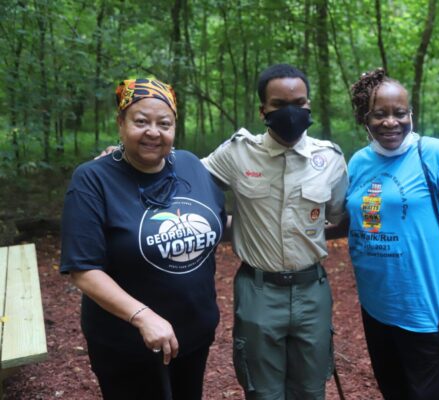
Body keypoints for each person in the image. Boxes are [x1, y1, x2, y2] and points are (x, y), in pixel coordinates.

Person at [61, 78, 226, 400]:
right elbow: (84, 269)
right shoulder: (93, 179)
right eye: (141, 121)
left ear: (175, 127)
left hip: (193, 335)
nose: (153, 131)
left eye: (164, 123)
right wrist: (143, 316)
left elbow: (219, 222)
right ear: (120, 123)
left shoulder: (191, 166)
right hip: (126, 343)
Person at [201, 63, 348, 399]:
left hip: (312, 290)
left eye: (299, 102)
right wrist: (120, 159)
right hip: (258, 290)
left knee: (311, 389)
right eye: (279, 105)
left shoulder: (331, 159)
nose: (291, 111)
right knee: (262, 391)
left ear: (309, 104)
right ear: (263, 109)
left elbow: (337, 213)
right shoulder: (237, 154)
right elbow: (185, 180)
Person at [345, 68, 439, 400]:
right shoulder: (359, 162)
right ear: (365, 118)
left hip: (427, 311)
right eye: (380, 114)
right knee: (394, 392)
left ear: (411, 114)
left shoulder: (438, 155)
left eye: (400, 113)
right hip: (377, 307)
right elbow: (348, 218)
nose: (391, 122)